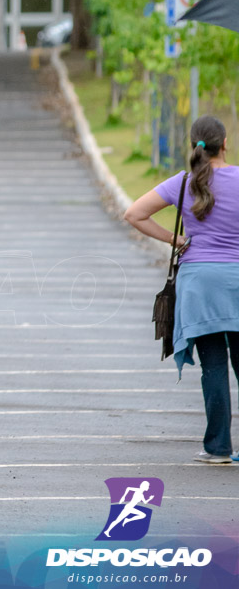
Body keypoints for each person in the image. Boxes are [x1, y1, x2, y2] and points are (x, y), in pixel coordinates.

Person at [124, 116, 239, 464]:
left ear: (193, 146)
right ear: (225, 145)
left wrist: (176, 240)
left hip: (199, 287)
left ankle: (218, 448)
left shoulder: (183, 182)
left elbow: (134, 214)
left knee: (215, 366)